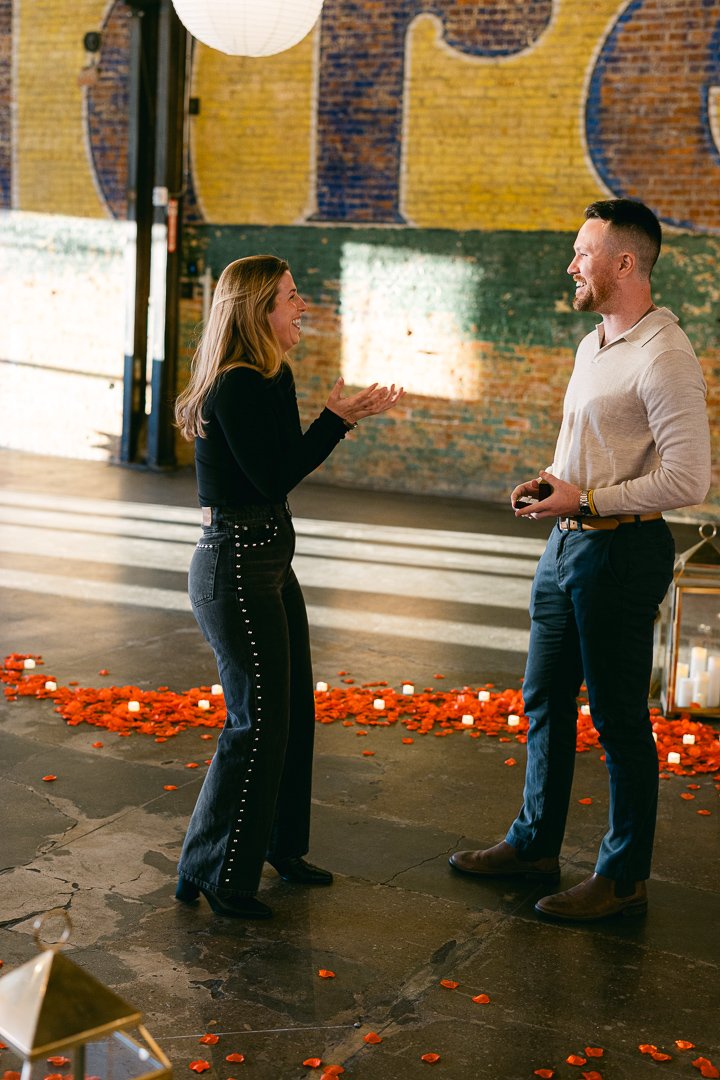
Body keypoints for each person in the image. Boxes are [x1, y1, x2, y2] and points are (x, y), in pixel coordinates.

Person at [450, 198, 711, 921]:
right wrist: (552, 486)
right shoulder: (594, 342)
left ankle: (624, 878)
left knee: (620, 718)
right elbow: (590, 451)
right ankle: (534, 843)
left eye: (583, 251)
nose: (571, 263)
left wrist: (587, 500)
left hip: (621, 555)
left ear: (624, 263)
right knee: (543, 701)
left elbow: (691, 480)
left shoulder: (666, 354)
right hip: (567, 549)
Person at [174, 254, 403, 918]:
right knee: (257, 722)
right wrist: (336, 420)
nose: (303, 307)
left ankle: (273, 844)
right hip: (235, 564)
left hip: (268, 558)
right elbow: (274, 477)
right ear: (258, 311)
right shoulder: (236, 385)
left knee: (290, 709)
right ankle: (219, 875)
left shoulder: (273, 376)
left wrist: (333, 416)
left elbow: (278, 469)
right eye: (292, 297)